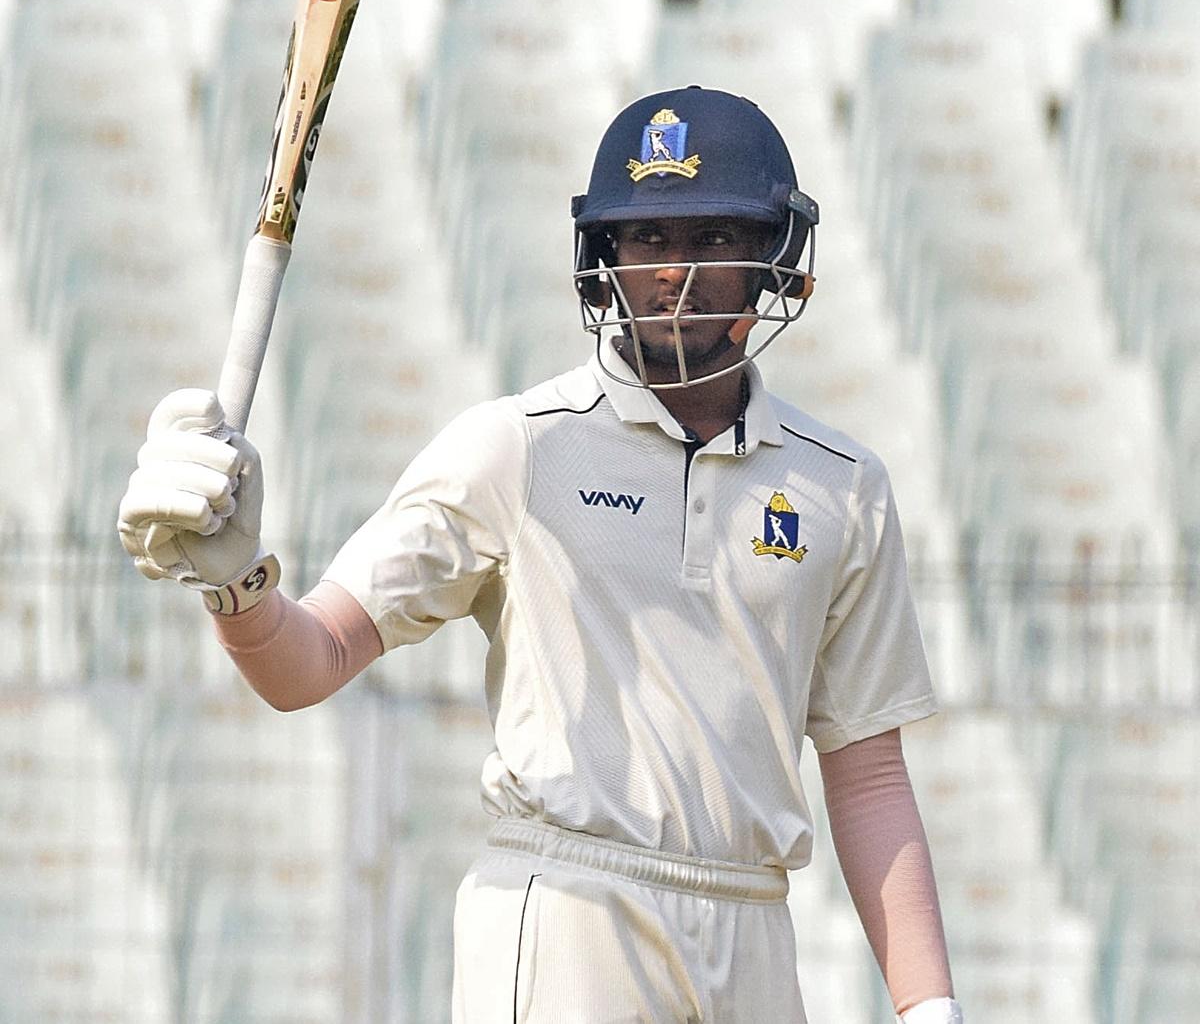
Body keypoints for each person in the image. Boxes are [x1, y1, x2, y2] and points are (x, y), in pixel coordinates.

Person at [119, 87, 963, 1024]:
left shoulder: (842, 486)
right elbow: (306, 664)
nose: (674, 275)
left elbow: (868, 771)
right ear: (605, 260)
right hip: (566, 908)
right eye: (647, 242)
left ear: (772, 260)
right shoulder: (516, 447)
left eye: (709, 239)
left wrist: (928, 1007)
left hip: (753, 923)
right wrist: (236, 583)